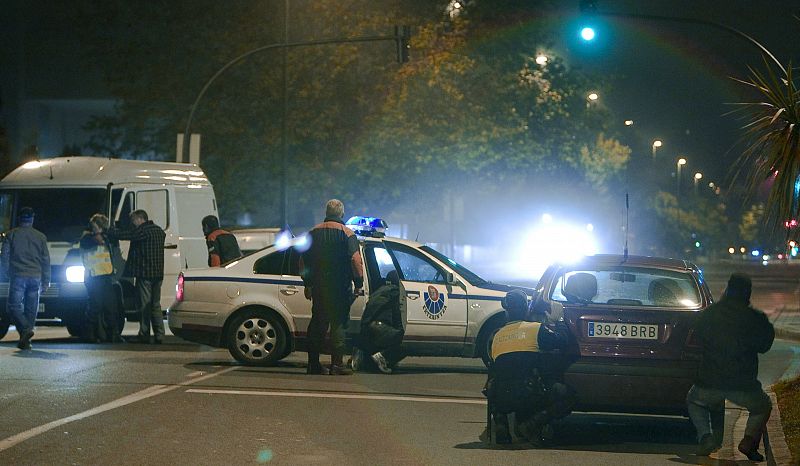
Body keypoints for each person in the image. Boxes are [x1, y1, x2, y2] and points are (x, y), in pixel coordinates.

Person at [687, 272, 774, 461]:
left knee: (694, 401)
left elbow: (698, 336)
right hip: (743, 384)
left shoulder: (710, 314)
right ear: (747, 294)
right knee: (763, 406)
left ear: (727, 289)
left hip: (709, 382)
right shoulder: (755, 318)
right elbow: (765, 345)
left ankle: (706, 437)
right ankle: (749, 441)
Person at [481, 289, 574, 446]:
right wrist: (559, 320)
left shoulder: (497, 335)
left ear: (507, 311)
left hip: (501, 399)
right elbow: (563, 341)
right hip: (529, 396)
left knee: (502, 379)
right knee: (568, 396)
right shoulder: (536, 329)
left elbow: (495, 372)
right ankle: (530, 425)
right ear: (526, 309)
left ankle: (501, 422)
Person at [299, 199, 364, 375]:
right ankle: (337, 365)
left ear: (326, 213)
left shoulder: (313, 232)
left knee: (318, 326)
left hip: (320, 288)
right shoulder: (347, 233)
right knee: (339, 325)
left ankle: (313, 364)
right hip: (340, 288)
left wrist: (308, 284)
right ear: (342, 214)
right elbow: (355, 260)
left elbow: (303, 261)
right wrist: (359, 283)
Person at [108, 210, 166, 344]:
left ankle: (144, 334)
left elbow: (127, 235)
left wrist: (110, 232)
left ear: (140, 219)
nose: (132, 224)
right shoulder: (159, 231)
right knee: (155, 305)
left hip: (145, 273)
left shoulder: (143, 231)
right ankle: (159, 334)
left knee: (144, 305)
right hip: (158, 273)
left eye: (133, 220)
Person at [0, 207, 50, 350]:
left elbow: (5, 257)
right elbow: (46, 260)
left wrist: (6, 273)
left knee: (13, 306)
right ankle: (25, 340)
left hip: (18, 275)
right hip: (36, 277)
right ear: (32, 219)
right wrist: (46, 280)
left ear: (19, 219)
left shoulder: (11, 235)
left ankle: (25, 331)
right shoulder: (40, 237)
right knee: (31, 309)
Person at [79, 214, 122, 343]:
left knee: (111, 306)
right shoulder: (86, 238)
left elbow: (112, 240)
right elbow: (96, 241)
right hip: (93, 277)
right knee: (95, 305)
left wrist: (106, 233)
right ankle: (89, 334)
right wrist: (101, 234)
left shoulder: (105, 236)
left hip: (105, 276)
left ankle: (113, 334)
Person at [352, 270, 405, 374]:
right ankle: (383, 357)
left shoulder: (378, 291)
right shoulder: (395, 293)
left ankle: (360, 352)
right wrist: (400, 331)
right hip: (380, 329)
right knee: (405, 340)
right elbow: (397, 317)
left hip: (366, 329)